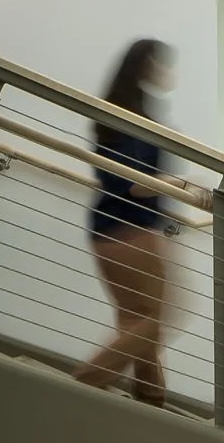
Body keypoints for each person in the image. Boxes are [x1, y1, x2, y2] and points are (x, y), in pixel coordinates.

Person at [74, 39, 178, 406]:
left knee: (135, 318)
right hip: (128, 229)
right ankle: (83, 385)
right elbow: (132, 184)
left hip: (112, 228)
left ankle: (151, 397)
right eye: (162, 64)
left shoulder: (121, 111)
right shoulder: (129, 118)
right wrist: (180, 187)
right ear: (145, 66)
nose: (168, 72)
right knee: (154, 318)